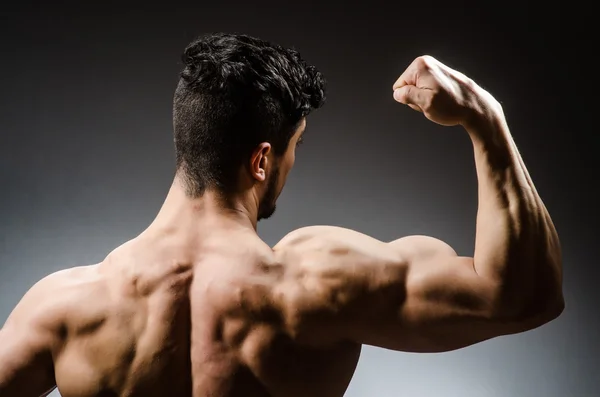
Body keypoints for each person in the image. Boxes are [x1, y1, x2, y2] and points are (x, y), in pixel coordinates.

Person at [0, 33, 564, 397]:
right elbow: (521, 295)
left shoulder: (63, 306)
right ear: (263, 159)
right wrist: (484, 119)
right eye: (296, 146)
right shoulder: (317, 285)